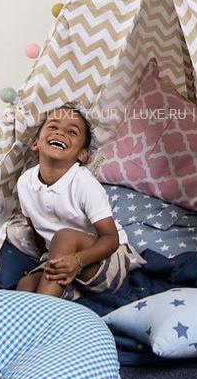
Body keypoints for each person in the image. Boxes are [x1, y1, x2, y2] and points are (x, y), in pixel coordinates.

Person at [11, 106, 138, 299]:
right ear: (35, 143)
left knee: (65, 237)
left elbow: (110, 239)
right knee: (26, 284)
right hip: (62, 258)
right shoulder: (25, 183)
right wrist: (50, 262)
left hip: (106, 259)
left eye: (72, 132)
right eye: (53, 127)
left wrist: (77, 261)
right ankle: (55, 299)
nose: (60, 133)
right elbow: (37, 231)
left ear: (82, 154)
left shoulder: (84, 183)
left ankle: (43, 311)